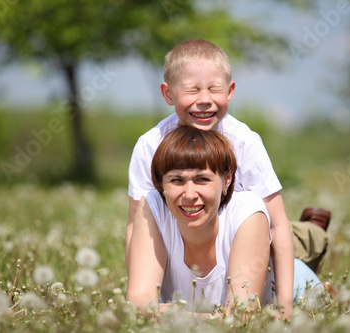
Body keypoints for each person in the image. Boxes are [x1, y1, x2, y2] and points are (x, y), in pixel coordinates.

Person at [127, 39, 330, 318]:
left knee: (278, 233)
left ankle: (311, 241)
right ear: (168, 93)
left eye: (214, 89)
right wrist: (143, 287)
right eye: (192, 89)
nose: (205, 100)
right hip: (192, 235)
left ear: (230, 91)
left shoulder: (244, 142)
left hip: (250, 238)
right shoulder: (150, 146)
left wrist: (284, 308)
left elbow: (277, 225)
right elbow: (135, 225)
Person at [126, 126, 323, 314]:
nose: (189, 194)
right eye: (176, 180)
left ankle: (313, 235)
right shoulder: (151, 206)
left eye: (202, 179)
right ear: (161, 183)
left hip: (299, 288)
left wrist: (175, 315)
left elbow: (241, 317)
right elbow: (137, 303)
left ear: (227, 180)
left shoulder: (248, 210)